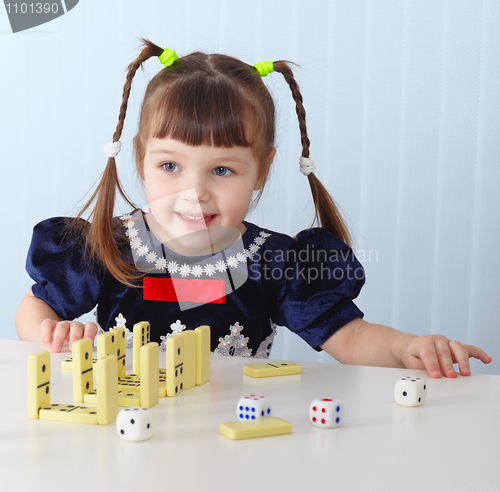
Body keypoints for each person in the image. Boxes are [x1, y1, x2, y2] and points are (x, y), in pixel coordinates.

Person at [15, 39, 491, 379]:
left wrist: (408, 348)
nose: (194, 192)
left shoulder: (276, 262)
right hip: (126, 432)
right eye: (170, 166)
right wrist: (52, 332)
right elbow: (34, 307)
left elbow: (349, 337)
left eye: (222, 171)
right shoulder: (107, 247)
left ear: (262, 169)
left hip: (238, 437)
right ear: (141, 157)